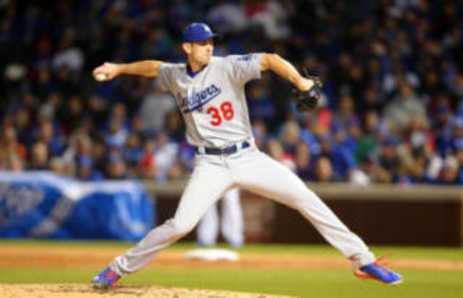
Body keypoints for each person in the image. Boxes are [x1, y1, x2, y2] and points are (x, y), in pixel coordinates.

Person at [91, 22, 402, 288]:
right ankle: (117, 269)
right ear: (187, 47)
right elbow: (153, 67)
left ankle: (363, 260)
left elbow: (269, 59)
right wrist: (118, 68)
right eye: (201, 43)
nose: (209, 47)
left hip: (247, 157)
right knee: (180, 226)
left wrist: (300, 81)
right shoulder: (176, 76)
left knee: (306, 199)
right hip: (210, 163)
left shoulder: (227, 66)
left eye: (210, 42)